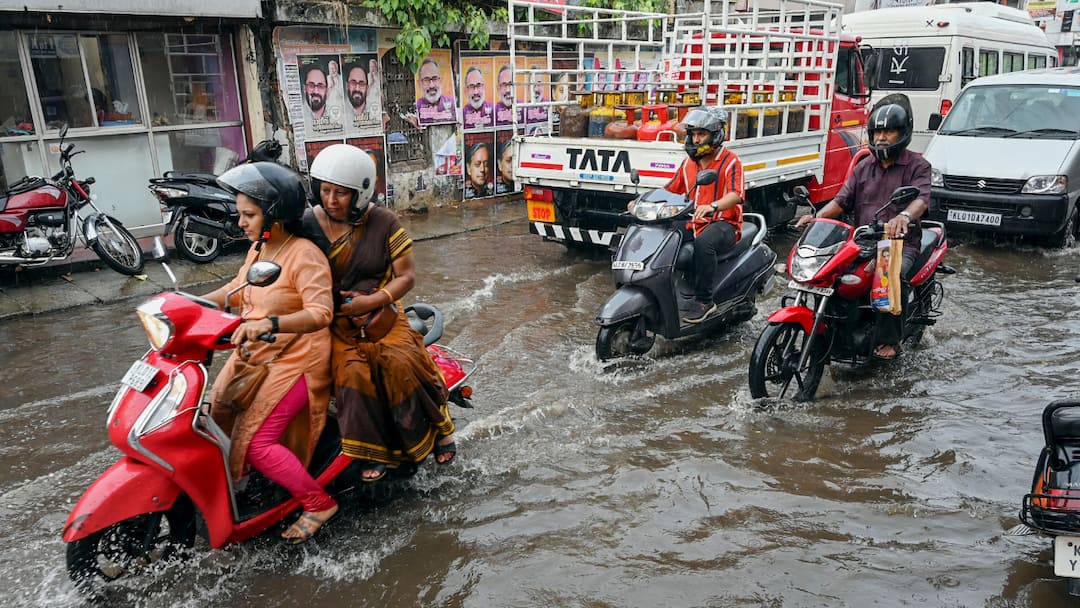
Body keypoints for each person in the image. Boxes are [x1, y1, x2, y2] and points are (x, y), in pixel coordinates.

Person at [302, 143, 456, 482]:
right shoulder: (306, 226)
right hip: (335, 324)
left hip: (383, 316)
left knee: (402, 363)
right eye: (325, 191)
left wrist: (371, 302)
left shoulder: (383, 221)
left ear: (360, 193)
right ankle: (371, 451)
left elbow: (407, 276)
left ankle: (441, 429)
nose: (331, 200)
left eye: (341, 194)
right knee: (351, 376)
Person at [202, 162, 337, 544]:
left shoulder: (304, 255)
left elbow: (321, 313)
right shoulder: (260, 247)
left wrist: (272, 323)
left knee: (257, 443)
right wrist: (186, 302)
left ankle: (318, 503)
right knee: (217, 411)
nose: (240, 222)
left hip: (299, 357)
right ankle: (240, 488)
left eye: (248, 214)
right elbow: (237, 290)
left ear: (273, 215)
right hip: (259, 351)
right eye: (241, 214)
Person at [795, 95, 930, 360]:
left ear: (903, 133)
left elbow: (921, 200)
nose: (881, 138)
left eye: (889, 131)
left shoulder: (917, 165)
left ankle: (891, 340)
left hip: (900, 244)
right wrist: (816, 220)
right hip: (861, 241)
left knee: (888, 277)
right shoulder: (863, 166)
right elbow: (840, 201)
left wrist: (903, 216)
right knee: (827, 274)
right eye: (878, 131)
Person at [655, 106, 745, 324]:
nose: (696, 140)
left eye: (701, 134)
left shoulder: (731, 161)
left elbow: (736, 195)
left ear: (715, 135)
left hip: (725, 224)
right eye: (693, 134)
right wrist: (641, 202)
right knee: (661, 236)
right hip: (693, 221)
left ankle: (705, 302)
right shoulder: (688, 164)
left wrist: (714, 206)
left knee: (704, 243)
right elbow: (670, 190)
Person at [416, 58, 455, 124]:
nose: (431, 85)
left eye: (434, 79)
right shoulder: (416, 107)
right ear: (420, 84)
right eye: (426, 80)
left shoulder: (452, 103)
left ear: (440, 80)